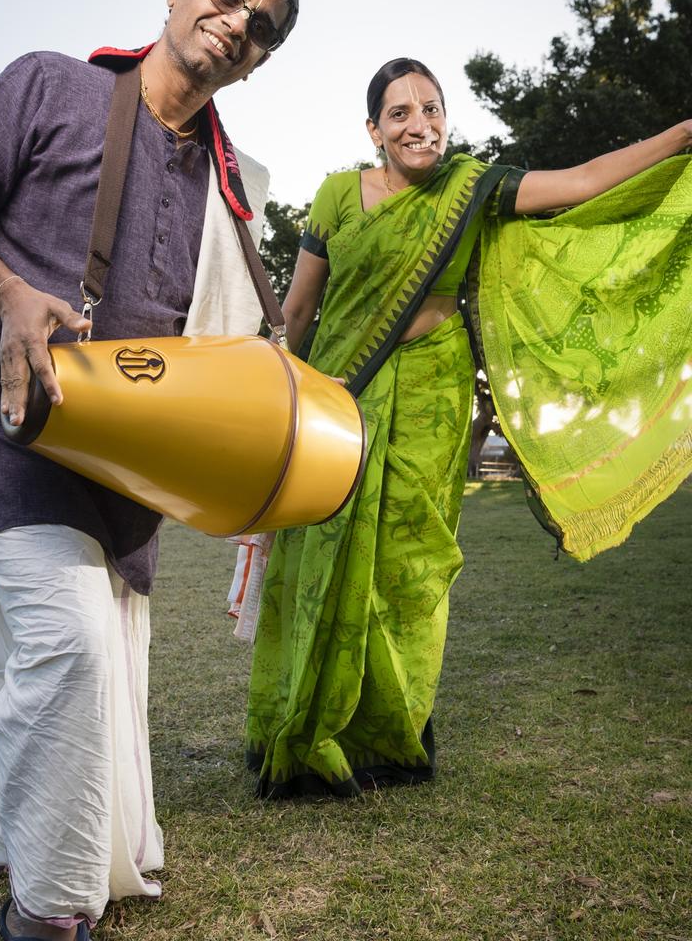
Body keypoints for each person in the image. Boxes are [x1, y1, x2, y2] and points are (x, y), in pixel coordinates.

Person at [0, 0, 298, 941]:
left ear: (257, 61)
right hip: (1, 412)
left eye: (260, 27)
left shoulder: (231, 184)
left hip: (129, 451)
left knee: (100, 654)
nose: (236, 23)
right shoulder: (47, 84)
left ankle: (37, 831)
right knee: (70, 641)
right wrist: (8, 292)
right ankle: (48, 913)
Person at [245, 57, 692, 799]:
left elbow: (582, 181)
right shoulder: (334, 195)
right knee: (323, 552)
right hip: (337, 400)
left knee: (412, 566)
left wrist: (680, 135)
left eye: (430, 108)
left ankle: (390, 733)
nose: (418, 123)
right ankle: (310, 728)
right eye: (399, 113)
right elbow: (296, 314)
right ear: (374, 131)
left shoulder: (472, 189)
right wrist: (286, 409)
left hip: (433, 397)